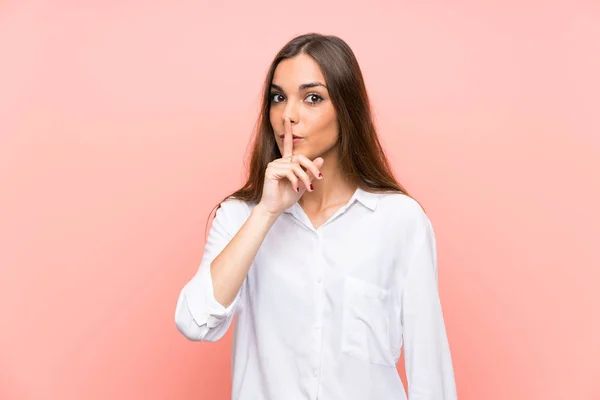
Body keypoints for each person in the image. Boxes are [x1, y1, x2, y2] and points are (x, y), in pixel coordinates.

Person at [174, 32, 458, 400]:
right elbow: (195, 322)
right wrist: (267, 212)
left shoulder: (401, 221)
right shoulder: (240, 216)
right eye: (278, 98)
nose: (288, 116)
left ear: (346, 108)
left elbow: (430, 372)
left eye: (312, 98)